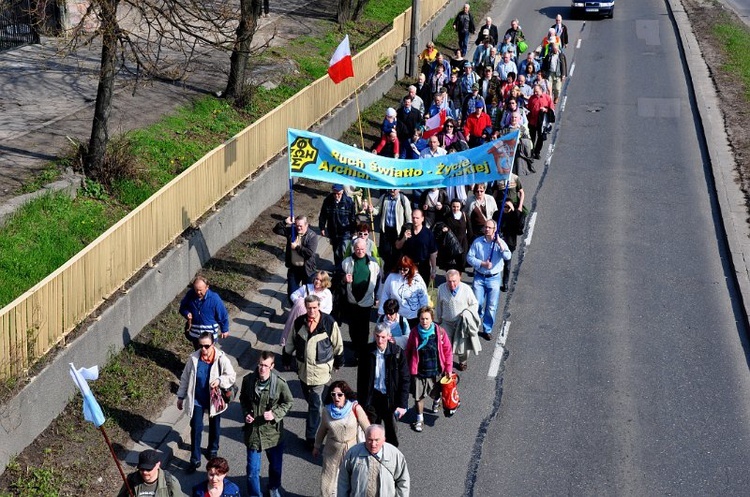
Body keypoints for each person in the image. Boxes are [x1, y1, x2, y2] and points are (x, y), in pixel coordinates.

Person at [283, 294, 344, 448]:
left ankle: (311, 438)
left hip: (321, 372)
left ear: (319, 307)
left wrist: (338, 362)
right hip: (303, 371)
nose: (312, 311)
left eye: (315, 307)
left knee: (315, 405)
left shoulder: (329, 323)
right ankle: (319, 414)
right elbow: (290, 341)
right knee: (310, 400)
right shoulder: (299, 323)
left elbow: (337, 345)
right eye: (309, 308)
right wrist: (286, 358)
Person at [177, 332, 237, 473]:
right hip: (197, 399)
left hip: (213, 399)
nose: (203, 349)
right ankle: (195, 459)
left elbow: (231, 375)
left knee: (214, 426)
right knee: (196, 428)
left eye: (206, 346)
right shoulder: (193, 358)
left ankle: (212, 449)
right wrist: (180, 397)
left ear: (213, 344)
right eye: (201, 345)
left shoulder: (221, 358)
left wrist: (220, 380)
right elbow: (185, 378)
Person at [240, 351, 293, 497]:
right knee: (252, 471)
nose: (262, 368)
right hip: (253, 434)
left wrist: (275, 414)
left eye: (265, 365)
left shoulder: (280, 384)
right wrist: (246, 414)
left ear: (272, 366)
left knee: (275, 467)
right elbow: (243, 399)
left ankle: (273, 488)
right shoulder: (248, 380)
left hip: (273, 434)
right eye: (260, 365)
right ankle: (255, 494)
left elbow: (289, 402)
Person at [313, 380, 371, 497]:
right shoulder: (327, 411)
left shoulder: (355, 408)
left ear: (346, 395)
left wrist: (373, 445)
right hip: (332, 451)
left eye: (340, 394)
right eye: (333, 394)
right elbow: (322, 430)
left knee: (349, 481)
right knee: (329, 483)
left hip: (351, 451)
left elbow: (368, 428)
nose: (336, 397)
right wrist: (316, 446)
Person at [358, 322, 410, 447]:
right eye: (377, 336)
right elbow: (361, 378)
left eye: (382, 337)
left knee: (391, 430)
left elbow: (405, 379)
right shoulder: (367, 351)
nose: (379, 340)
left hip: (390, 398)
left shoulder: (397, 353)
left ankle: (391, 455)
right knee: (372, 430)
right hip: (373, 396)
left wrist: (402, 404)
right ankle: (373, 453)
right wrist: (361, 401)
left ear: (389, 336)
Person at [405, 306, 453, 432]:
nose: (424, 321)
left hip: (435, 371)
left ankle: (437, 400)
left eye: (427, 319)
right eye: (422, 319)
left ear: (432, 318)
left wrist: (448, 368)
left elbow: (447, 350)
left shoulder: (440, 332)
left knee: (434, 393)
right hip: (419, 372)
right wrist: (405, 368)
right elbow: (409, 350)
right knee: (418, 397)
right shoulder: (414, 332)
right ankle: (419, 419)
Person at [466, 220, 511, 341]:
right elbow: (469, 257)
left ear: (495, 229)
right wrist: (482, 264)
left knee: (491, 306)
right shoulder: (478, 242)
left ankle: (487, 329)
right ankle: (475, 325)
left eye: (489, 227)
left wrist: (500, 244)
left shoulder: (499, 243)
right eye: (485, 227)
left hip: (494, 279)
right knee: (477, 304)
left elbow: (508, 256)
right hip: (480, 277)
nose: (487, 229)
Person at [337, 424, 410, 496]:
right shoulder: (353, 453)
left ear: (384, 439)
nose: (373, 444)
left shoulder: (395, 455)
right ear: (365, 438)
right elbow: (343, 480)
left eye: (377, 440)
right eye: (370, 440)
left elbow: (403, 481)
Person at [342, 238, 381, 361]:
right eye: (357, 249)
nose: (360, 251)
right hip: (351, 299)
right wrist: (344, 278)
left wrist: (378, 296)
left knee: (364, 327)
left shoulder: (374, 263)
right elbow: (337, 276)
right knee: (353, 326)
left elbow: (379, 280)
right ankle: (355, 344)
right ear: (354, 249)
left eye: (362, 249)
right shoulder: (347, 262)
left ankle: (361, 351)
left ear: (367, 249)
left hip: (367, 300)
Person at [435, 269, 481, 371]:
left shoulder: (466, 289)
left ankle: (462, 361)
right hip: (446, 322)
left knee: (462, 345)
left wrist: (466, 313)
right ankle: (447, 364)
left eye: (454, 281)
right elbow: (439, 305)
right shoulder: (441, 289)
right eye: (449, 281)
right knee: (444, 345)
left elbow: (474, 304)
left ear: (459, 278)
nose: (452, 284)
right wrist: (439, 320)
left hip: (461, 323)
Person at [273, 215, 319, 301]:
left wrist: (297, 247)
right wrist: (285, 222)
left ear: (306, 225)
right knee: (292, 294)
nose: (298, 228)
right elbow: (276, 230)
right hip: (294, 269)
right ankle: (296, 310)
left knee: (308, 295)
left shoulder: (312, 236)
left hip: (307, 270)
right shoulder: (292, 231)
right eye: (296, 225)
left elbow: (309, 253)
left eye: (300, 226)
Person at [281, 270, 332, 345]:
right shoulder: (306, 287)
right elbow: (293, 295)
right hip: (303, 319)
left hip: (317, 321)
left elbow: (329, 309)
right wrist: (301, 303)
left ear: (325, 282)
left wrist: (319, 314)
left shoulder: (327, 293)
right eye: (316, 279)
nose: (317, 281)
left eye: (320, 280)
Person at [369, 189, 412, 276]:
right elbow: (377, 210)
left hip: (398, 231)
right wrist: (372, 210)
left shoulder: (404, 199)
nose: (392, 190)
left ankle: (396, 272)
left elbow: (408, 217)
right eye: (391, 188)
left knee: (397, 254)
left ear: (399, 189)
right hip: (386, 230)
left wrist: (407, 231)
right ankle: (386, 273)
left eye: (395, 189)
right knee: (385, 252)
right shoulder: (384, 197)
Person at [378, 256, 429, 328]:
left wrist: (425, 315)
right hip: (397, 317)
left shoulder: (417, 279)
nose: (402, 271)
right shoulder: (392, 277)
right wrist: (381, 311)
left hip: (414, 317)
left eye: (405, 270)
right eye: (400, 269)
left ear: (410, 268)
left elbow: (423, 297)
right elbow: (385, 294)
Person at [180, 275, 230, 348]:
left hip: (209, 334)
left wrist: (224, 329)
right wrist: (186, 313)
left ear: (207, 287)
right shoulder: (190, 295)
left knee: (207, 354)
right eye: (196, 289)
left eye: (200, 290)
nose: (198, 292)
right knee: (198, 352)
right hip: (195, 332)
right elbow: (182, 307)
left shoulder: (214, 299)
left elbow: (222, 314)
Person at [319, 184, 356, 270]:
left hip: (345, 231)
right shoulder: (328, 201)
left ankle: (345, 268)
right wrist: (322, 227)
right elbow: (323, 215)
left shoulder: (349, 202)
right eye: (334, 193)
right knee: (336, 251)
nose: (336, 196)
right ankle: (338, 268)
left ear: (342, 192)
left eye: (338, 194)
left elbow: (352, 217)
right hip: (333, 230)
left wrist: (353, 230)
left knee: (344, 250)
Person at [395, 209, 438, 284]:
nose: (415, 220)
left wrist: (433, 269)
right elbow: (397, 246)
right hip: (408, 266)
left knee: (421, 290)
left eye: (417, 218)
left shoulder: (428, 233)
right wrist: (404, 238)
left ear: (422, 219)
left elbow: (433, 253)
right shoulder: (406, 230)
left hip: (423, 267)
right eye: (413, 218)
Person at [118, 449, 184, 497]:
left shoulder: (170, 482)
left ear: (158, 465)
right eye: (141, 468)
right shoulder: (131, 480)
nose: (144, 472)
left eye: (148, 469)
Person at [495, 199, 523, 292]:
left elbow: (519, 228)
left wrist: (514, 211)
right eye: (505, 206)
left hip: (509, 243)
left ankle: (505, 283)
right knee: (496, 262)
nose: (506, 208)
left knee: (507, 264)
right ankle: (496, 281)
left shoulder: (514, 216)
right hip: (497, 242)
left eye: (508, 207)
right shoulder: (497, 214)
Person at [438, 198, 472, 272]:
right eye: (454, 206)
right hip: (451, 243)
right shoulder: (447, 216)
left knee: (461, 263)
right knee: (450, 263)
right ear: (451, 206)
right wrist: (444, 229)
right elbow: (442, 226)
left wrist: (471, 242)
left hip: (463, 242)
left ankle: (458, 279)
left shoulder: (465, 215)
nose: (455, 208)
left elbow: (469, 230)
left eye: (457, 206)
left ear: (460, 207)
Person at [527, 84, 555, 159]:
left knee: (540, 138)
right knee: (532, 138)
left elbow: (551, 109)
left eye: (537, 91)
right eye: (534, 91)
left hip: (542, 123)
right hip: (532, 121)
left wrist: (546, 110)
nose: (535, 93)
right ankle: (531, 152)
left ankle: (537, 152)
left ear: (541, 90)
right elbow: (529, 108)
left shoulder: (547, 98)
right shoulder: (532, 98)